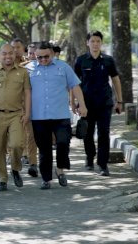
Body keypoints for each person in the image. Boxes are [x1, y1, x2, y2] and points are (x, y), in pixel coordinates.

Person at [25, 42, 88, 190]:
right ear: (35, 56)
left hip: (60, 115)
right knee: (44, 149)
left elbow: (75, 86)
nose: (43, 60)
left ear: (52, 54)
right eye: (39, 57)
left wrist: (82, 104)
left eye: (46, 56)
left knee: (63, 142)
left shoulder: (63, 67)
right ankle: (46, 179)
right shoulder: (28, 69)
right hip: (39, 116)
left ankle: (60, 169)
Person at [73, 31, 123, 177]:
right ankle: (89, 158)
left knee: (104, 134)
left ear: (101, 43)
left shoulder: (108, 60)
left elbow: (115, 80)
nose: (95, 44)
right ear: (87, 43)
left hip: (104, 103)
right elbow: (74, 82)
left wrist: (119, 100)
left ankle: (103, 164)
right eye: (92, 41)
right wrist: (74, 101)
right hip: (86, 104)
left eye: (98, 41)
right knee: (88, 134)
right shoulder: (81, 60)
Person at [0, 44, 31, 191]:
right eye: (4, 54)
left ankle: (15, 169)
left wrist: (27, 113)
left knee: (17, 144)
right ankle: (3, 178)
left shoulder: (22, 72)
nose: (8, 56)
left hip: (16, 114)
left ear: (15, 54)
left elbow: (27, 93)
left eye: (10, 53)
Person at [11, 39, 39, 177]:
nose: (15, 50)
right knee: (15, 136)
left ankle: (33, 163)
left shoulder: (30, 66)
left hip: (29, 105)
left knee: (31, 135)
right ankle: (15, 160)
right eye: (13, 47)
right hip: (11, 106)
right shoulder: (4, 63)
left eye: (18, 47)